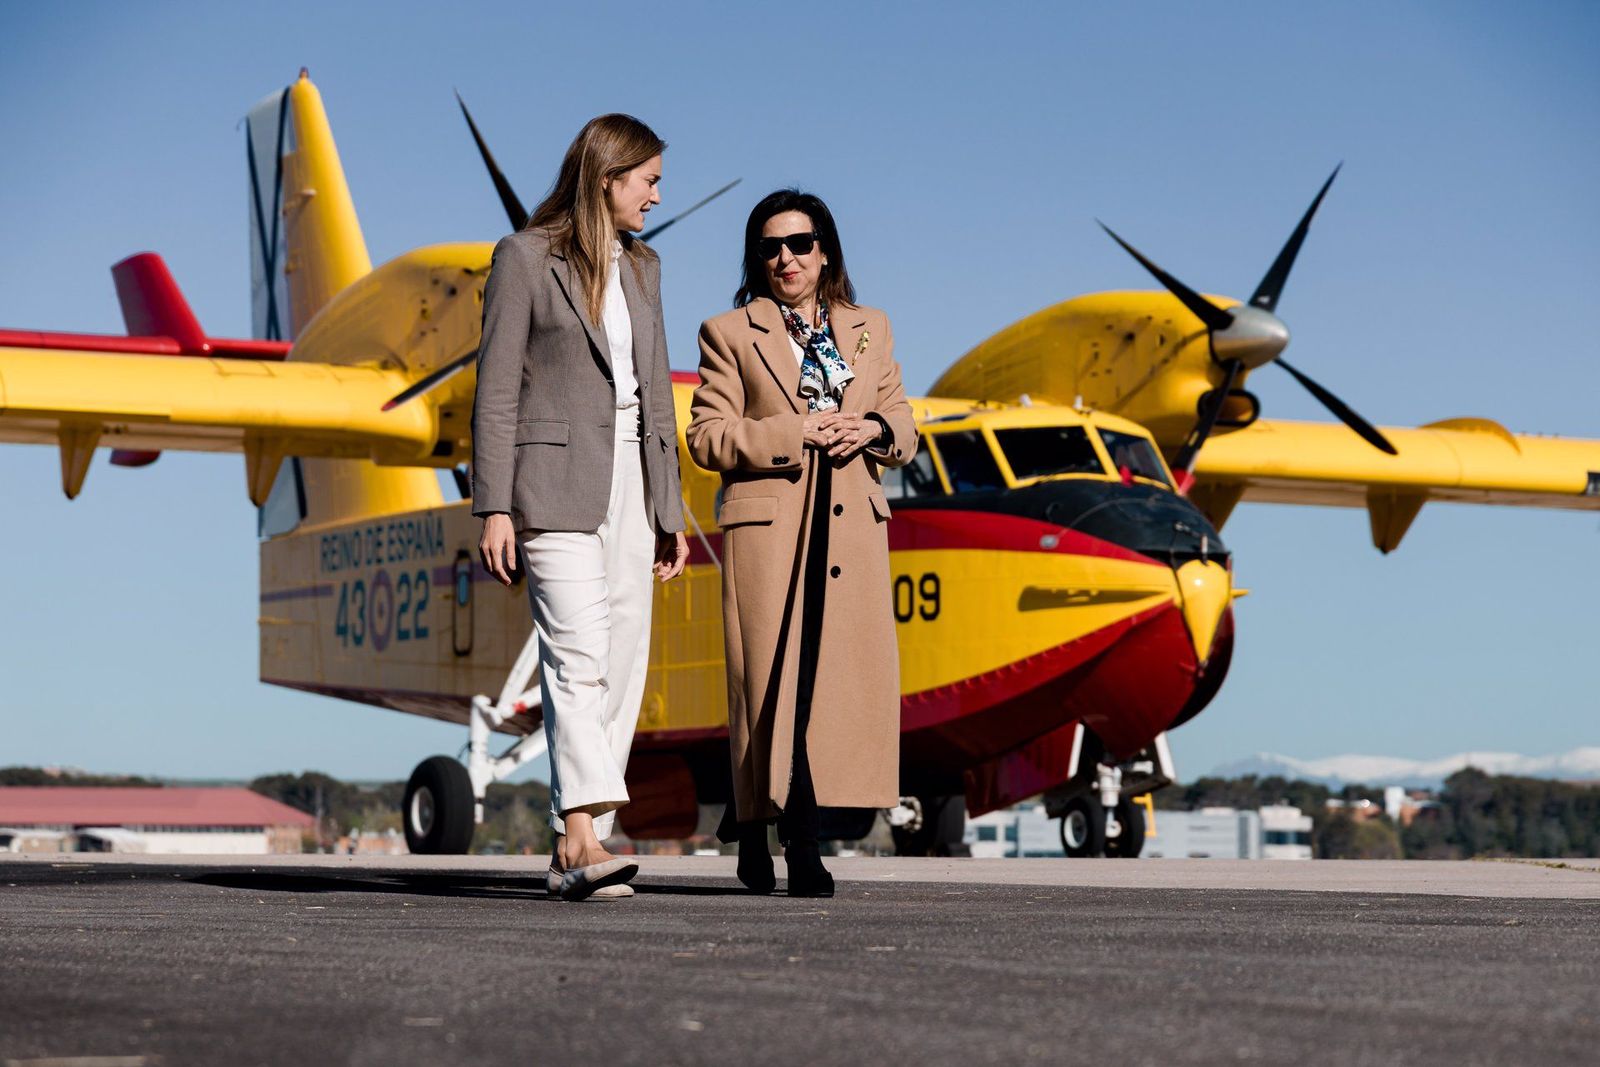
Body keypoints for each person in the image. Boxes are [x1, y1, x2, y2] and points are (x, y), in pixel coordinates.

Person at [471, 114, 689, 902]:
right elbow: (495, 390)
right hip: (552, 482)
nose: (659, 195)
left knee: (625, 655)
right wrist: (493, 504)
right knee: (577, 650)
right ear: (608, 177)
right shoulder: (524, 258)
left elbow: (656, 391)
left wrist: (671, 506)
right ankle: (580, 834)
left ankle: (583, 834)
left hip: (635, 480)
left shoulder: (646, 267)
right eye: (650, 180)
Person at [687, 189, 917, 897]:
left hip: (849, 529)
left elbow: (905, 425)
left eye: (801, 243)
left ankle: (782, 833)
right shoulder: (729, 331)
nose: (786, 258)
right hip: (770, 530)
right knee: (768, 687)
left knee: (823, 689)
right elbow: (707, 435)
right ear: (757, 258)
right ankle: (778, 839)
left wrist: (871, 430)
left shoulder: (870, 326)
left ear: (826, 251)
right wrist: (799, 432)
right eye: (770, 246)